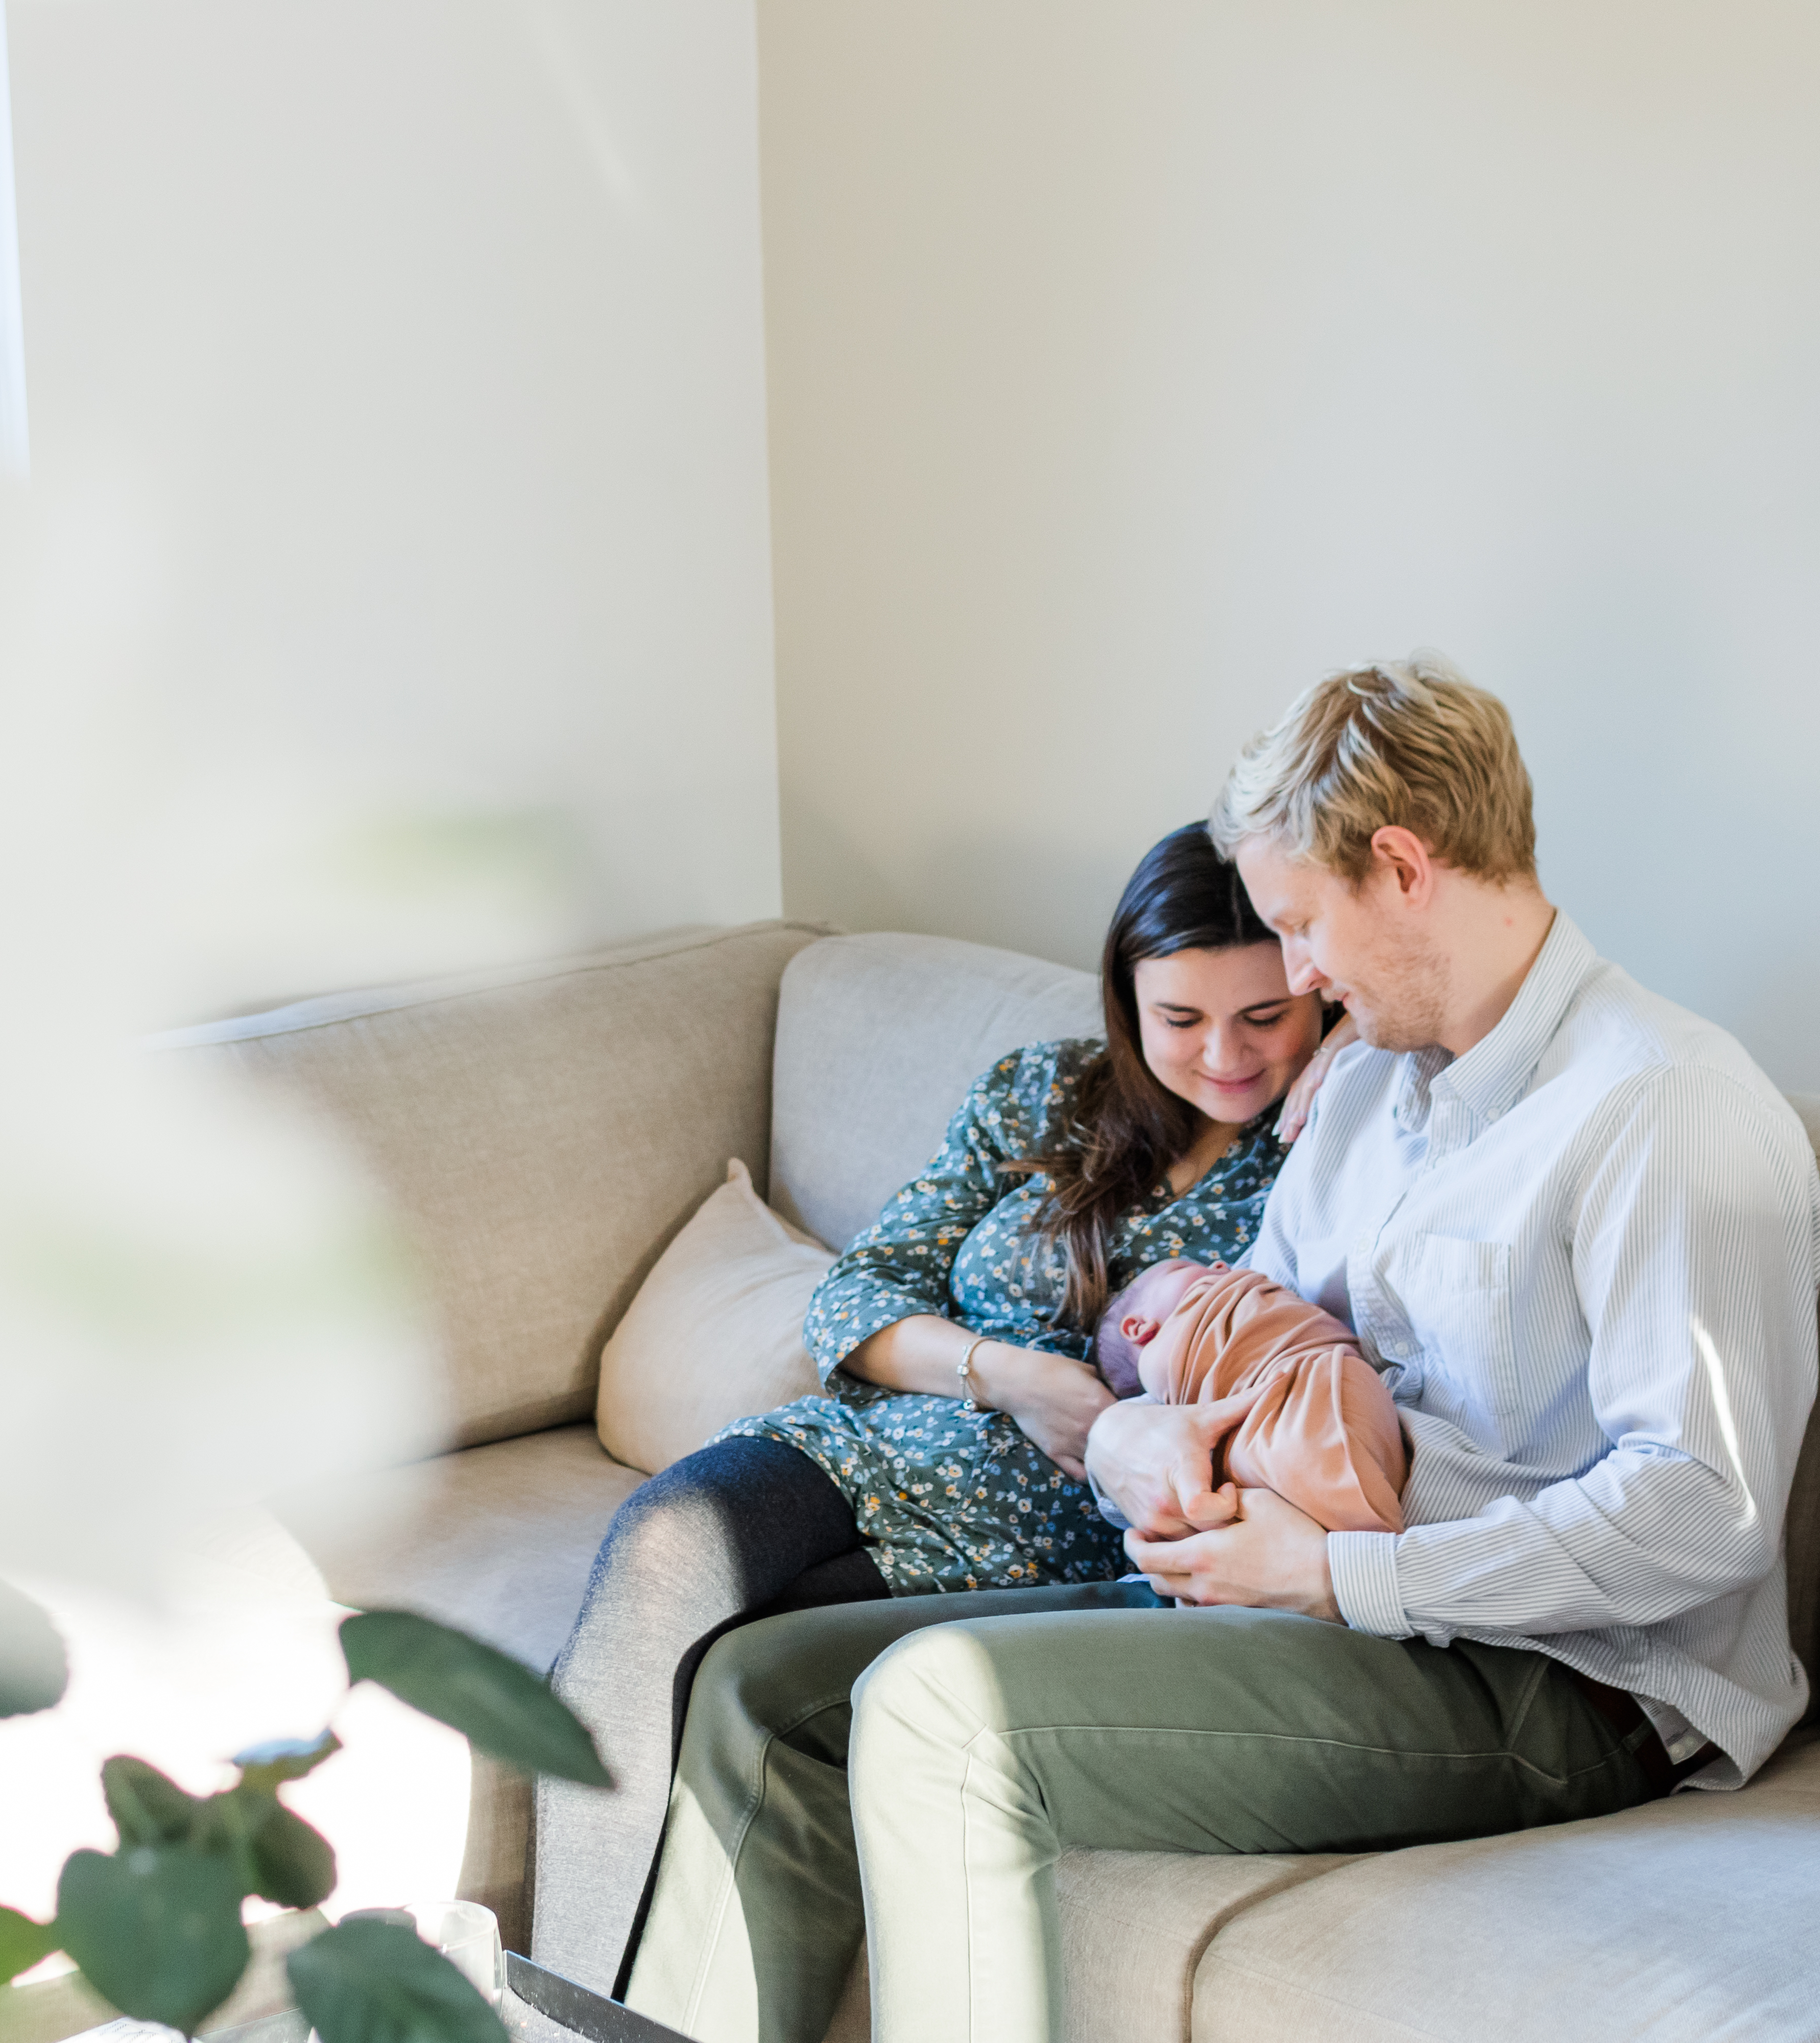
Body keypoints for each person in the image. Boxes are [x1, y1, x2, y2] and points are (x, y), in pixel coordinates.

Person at [621, 654, 1820, 2043]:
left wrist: (1342, 1571)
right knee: (756, 1694)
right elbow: (1230, 1321)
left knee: (945, 1719)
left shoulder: (1663, 1112)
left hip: (1569, 1681)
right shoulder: (1372, 1084)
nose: (1296, 980)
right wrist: (1136, 1429)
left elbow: (1705, 1509)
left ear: (1403, 866)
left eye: (1302, 929)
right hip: (1298, 1585)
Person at [532, 823, 1328, 1996]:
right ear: (1127, 1001)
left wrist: (1352, 1074)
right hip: (865, 1448)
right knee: (659, 1564)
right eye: (1182, 1019)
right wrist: (1015, 1374)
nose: (1223, 1056)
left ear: (1317, 990)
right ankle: (549, 2015)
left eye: (1264, 1018)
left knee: (740, 1671)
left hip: (1035, 1547)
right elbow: (856, 1295)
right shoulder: (1042, 1096)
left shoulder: (1332, 1157)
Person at [1093, 1256, 1407, 1536]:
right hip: (1286, 1427)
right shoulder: (1163, 1371)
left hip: (1326, 1389)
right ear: (1138, 1327)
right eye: (1185, 1268)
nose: (1220, 1267)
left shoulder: (1241, 1293)